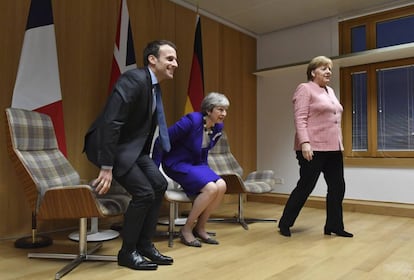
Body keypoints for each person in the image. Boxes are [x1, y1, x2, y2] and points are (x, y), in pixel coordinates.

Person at [83, 40, 178, 270]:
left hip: (132, 149)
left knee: (158, 185)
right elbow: (112, 123)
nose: (176, 63)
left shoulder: (153, 86)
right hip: (110, 147)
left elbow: (142, 128)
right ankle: (127, 252)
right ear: (152, 60)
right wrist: (107, 166)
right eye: (170, 58)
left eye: (175, 59)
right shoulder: (133, 80)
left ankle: (145, 245)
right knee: (144, 193)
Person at [278, 56, 353, 238]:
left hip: (333, 148)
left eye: (330, 69)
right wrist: (305, 143)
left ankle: (334, 226)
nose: (328, 72)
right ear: (313, 72)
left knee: (338, 187)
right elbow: (300, 118)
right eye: (324, 68)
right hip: (312, 148)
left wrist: (340, 144)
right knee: (306, 186)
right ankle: (285, 223)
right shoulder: (305, 89)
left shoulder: (330, 91)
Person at [152, 92, 229, 247]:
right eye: (220, 110)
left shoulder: (218, 127)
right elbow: (162, 139)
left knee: (221, 186)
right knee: (210, 188)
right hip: (176, 163)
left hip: (197, 164)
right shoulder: (191, 120)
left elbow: (204, 150)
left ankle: (200, 227)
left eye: (226, 110)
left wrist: (205, 172)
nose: (224, 114)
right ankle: (186, 230)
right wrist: (153, 169)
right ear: (209, 110)